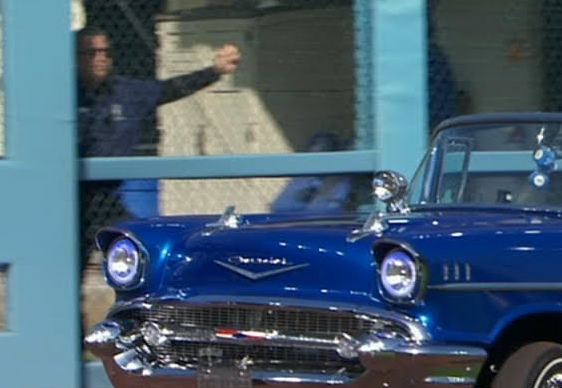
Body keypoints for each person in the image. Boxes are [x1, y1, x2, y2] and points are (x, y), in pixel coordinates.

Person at [75, 26, 241, 274]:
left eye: (105, 52)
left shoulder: (126, 93)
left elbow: (170, 89)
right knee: (67, 272)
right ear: (76, 58)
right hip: (71, 201)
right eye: (92, 52)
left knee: (144, 260)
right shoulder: (64, 96)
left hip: (108, 200)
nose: (100, 58)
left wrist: (215, 71)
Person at [271, 132, 356, 214]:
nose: (317, 152)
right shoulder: (302, 177)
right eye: (315, 145)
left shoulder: (346, 181)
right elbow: (281, 207)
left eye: (324, 149)